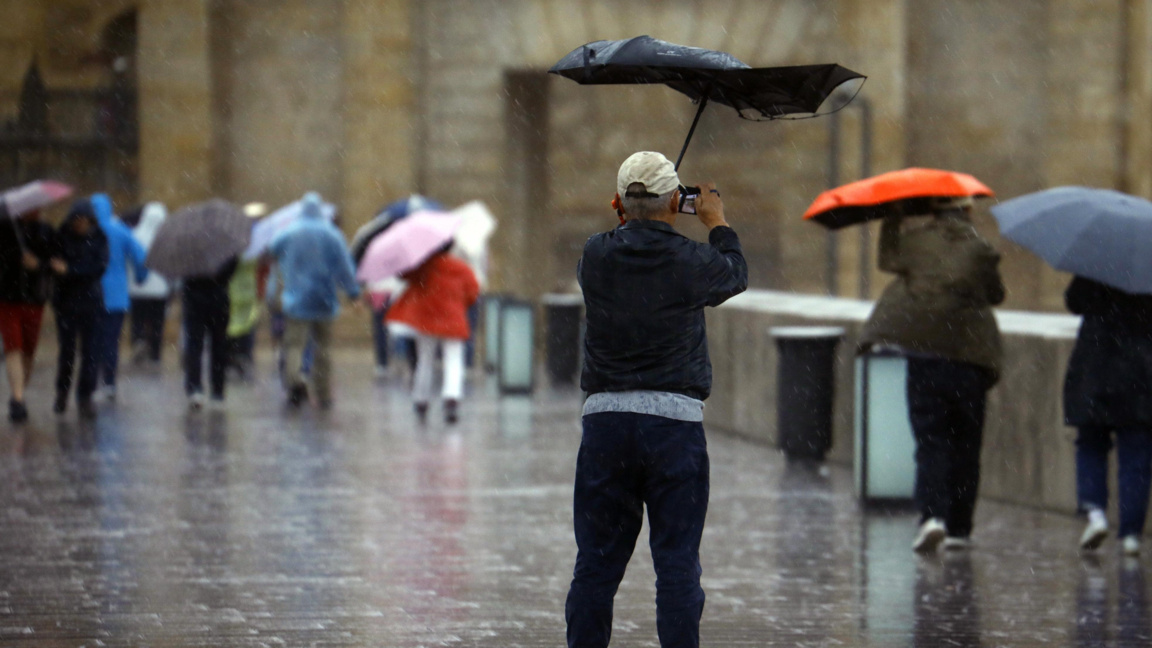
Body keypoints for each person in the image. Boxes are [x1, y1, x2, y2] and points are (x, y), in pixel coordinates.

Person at [566, 151, 747, 648]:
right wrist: (717, 222)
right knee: (676, 564)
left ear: (620, 203)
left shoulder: (595, 255)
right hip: (674, 427)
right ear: (675, 200)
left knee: (597, 565)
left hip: (606, 425)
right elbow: (735, 273)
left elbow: (622, 243)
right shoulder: (692, 261)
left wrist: (636, 214)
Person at [858, 196, 1005, 554]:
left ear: (933, 210)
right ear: (966, 211)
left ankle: (931, 518)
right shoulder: (980, 249)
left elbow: (888, 260)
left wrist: (892, 219)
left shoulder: (916, 243)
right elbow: (996, 295)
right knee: (966, 445)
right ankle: (959, 527)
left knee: (931, 441)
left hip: (925, 355)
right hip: (970, 356)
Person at [1063, 276, 1152, 555]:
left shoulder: (1096, 263)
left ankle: (1096, 514)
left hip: (1094, 367)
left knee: (1090, 444)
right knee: (1136, 454)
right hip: (1139, 371)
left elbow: (1073, 302)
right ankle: (1130, 534)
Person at [268, 192, 360, 409]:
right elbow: (345, 268)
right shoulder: (332, 234)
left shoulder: (289, 233)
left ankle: (294, 383)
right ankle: (323, 393)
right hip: (324, 300)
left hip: (296, 301)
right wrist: (353, 293)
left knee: (294, 346)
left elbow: (272, 249)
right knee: (323, 350)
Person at [385, 246, 479, 424]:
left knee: (425, 360)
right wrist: (459, 305)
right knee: (454, 359)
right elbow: (473, 292)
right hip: (454, 319)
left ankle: (421, 399)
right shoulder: (462, 268)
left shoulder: (424, 267)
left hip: (427, 319)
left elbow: (404, 276)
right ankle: (452, 397)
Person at [51, 200, 110, 419]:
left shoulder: (99, 238)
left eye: (83, 222)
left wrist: (71, 270)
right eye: (77, 221)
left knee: (91, 353)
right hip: (66, 304)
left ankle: (85, 396)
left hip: (91, 304)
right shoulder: (62, 236)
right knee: (67, 351)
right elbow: (55, 265)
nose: (80, 225)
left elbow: (98, 268)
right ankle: (62, 391)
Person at [0, 207, 57, 423]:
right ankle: (18, 397)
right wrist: (14, 259)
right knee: (13, 345)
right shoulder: (5, 230)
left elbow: (54, 263)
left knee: (28, 349)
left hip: (35, 299)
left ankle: (20, 393)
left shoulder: (46, 231)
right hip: (8, 298)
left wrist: (39, 265)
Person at [90, 193, 148, 400]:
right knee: (111, 341)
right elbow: (141, 257)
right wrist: (141, 277)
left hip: (91, 296)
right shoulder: (120, 231)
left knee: (92, 341)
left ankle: (91, 381)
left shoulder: (89, 232)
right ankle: (109, 383)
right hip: (116, 297)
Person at [183, 256, 238, 410]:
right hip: (218, 297)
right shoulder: (223, 245)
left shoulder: (188, 245)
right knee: (219, 345)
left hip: (194, 298)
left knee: (195, 345)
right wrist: (219, 279)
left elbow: (182, 270)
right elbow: (233, 266)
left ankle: (194, 388)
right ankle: (218, 391)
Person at [127, 202, 171, 364]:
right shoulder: (166, 238)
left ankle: (138, 341)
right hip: (159, 289)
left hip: (137, 288)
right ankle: (155, 354)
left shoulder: (134, 234)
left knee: (137, 319)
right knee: (157, 323)